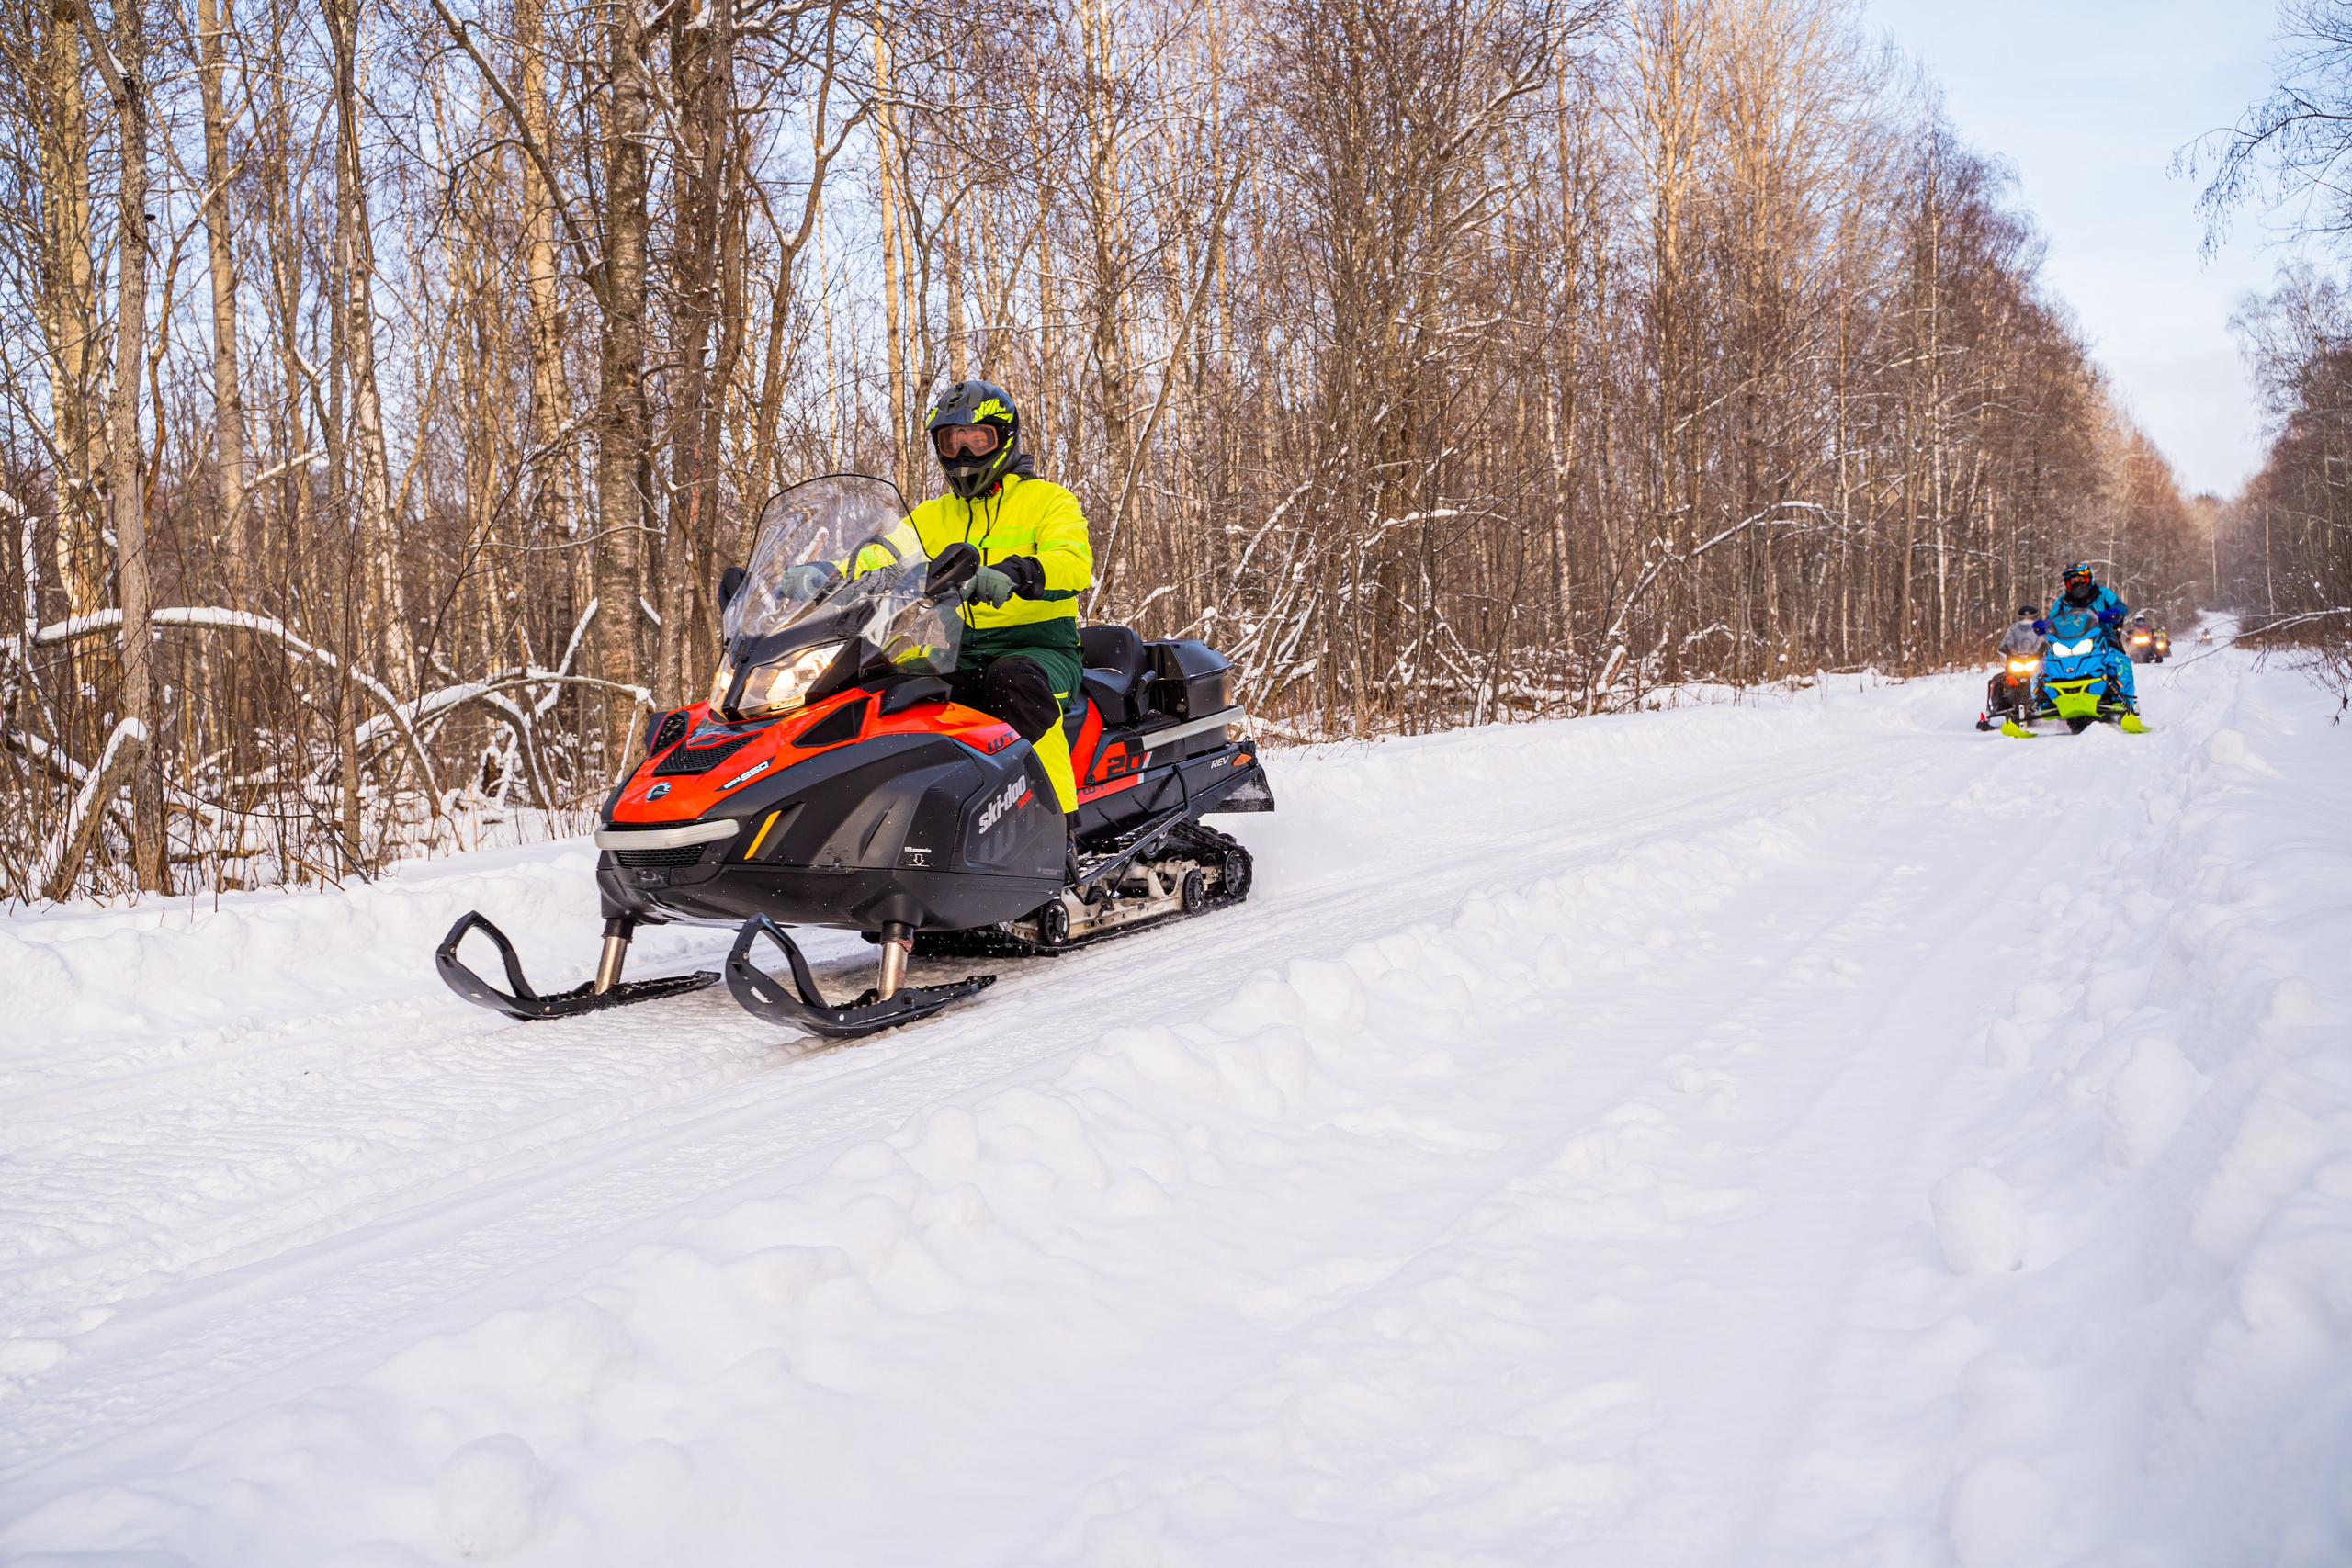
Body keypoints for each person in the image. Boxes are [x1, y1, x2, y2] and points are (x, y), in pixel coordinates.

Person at [905, 379, 1092, 821]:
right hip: (956, 650)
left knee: (1013, 684)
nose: (965, 454)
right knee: (895, 690)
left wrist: (1018, 572)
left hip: (1040, 649)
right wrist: (822, 577)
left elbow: (1072, 561)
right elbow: (884, 556)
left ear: (1004, 438)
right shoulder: (931, 516)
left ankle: (1056, 826)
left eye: (977, 439)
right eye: (953, 442)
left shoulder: (1048, 501)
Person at [2035, 561, 2136, 710]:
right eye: (2073, 581)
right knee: (2043, 663)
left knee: (2117, 659)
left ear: (2089, 579)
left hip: (2102, 636)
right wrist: (2043, 625)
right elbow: (2052, 618)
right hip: (2067, 641)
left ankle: (2123, 699)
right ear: (2067, 583)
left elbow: (2121, 606)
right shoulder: (2063, 602)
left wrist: (2113, 612)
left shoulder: (2103, 594)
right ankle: (2041, 701)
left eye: (2081, 579)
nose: (2077, 583)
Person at [1987, 604, 2045, 720]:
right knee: (1999, 680)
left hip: (2034, 660)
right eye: (2023, 619)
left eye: (2029, 618)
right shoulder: (2014, 630)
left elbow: (2045, 641)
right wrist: (2006, 651)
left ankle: (2048, 703)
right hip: (2017, 660)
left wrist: (2043, 650)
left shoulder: (2041, 631)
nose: (2026, 621)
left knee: (2048, 679)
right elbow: (2007, 641)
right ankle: (1999, 705)